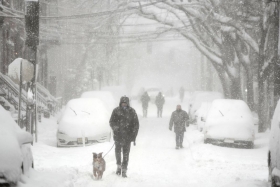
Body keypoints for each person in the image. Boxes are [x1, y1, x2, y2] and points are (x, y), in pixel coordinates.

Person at [109, 96, 139, 178]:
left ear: (128, 103)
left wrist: (133, 135)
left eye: (125, 103)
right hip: (118, 136)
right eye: (122, 103)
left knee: (126, 154)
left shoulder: (132, 112)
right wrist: (115, 127)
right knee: (118, 152)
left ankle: (124, 169)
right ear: (120, 103)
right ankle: (118, 166)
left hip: (127, 137)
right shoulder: (116, 111)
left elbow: (136, 125)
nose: (124, 105)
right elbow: (111, 121)